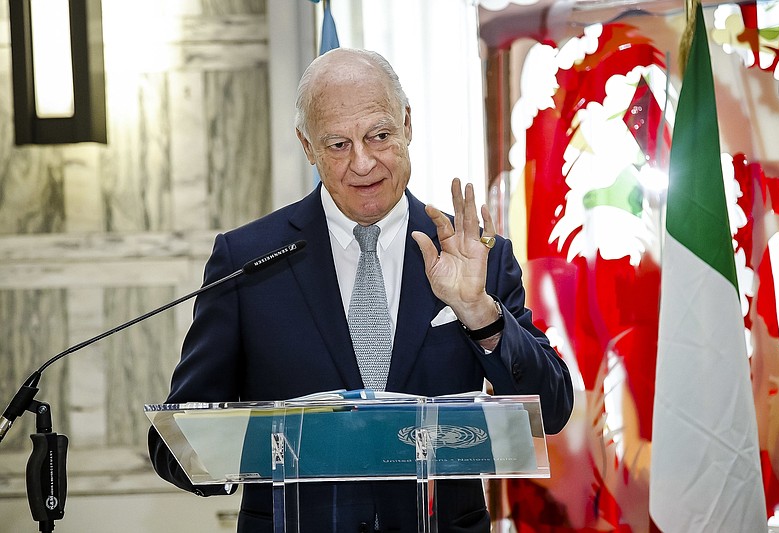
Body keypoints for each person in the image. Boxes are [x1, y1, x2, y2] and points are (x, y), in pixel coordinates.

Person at [149, 47, 573, 532]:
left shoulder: (476, 254)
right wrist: (253, 455)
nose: (364, 162)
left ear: (407, 124)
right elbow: (176, 443)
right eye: (337, 145)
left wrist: (479, 312)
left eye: (380, 135)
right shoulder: (246, 262)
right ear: (306, 146)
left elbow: (552, 408)